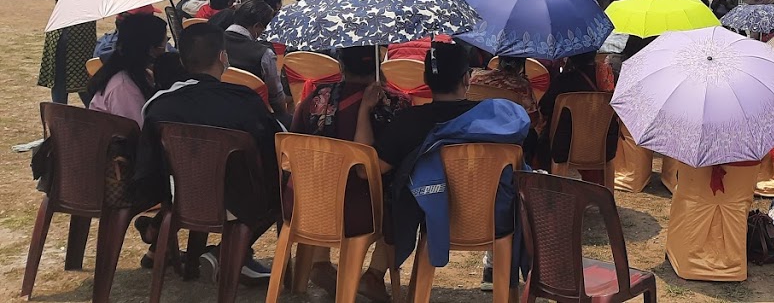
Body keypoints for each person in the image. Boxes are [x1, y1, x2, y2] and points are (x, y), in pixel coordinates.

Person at [368, 42, 533, 291]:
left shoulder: (408, 122)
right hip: (493, 218)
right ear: (467, 78)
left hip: (434, 216)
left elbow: (376, 169)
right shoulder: (498, 119)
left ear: (426, 80)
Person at [135, 24, 280, 283]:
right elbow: (272, 151)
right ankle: (229, 252)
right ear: (223, 57)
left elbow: (149, 166)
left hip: (180, 197)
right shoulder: (244, 100)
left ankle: (221, 254)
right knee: (283, 191)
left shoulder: (158, 105)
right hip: (237, 202)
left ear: (182, 61)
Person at [290, 44, 406, 300]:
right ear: (378, 65)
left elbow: (295, 140)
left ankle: (319, 261)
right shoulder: (393, 104)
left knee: (326, 176)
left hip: (310, 202)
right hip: (361, 207)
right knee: (400, 195)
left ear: (341, 65)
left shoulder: (317, 98)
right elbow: (398, 158)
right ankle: (374, 274)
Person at [38, 0, 97, 105]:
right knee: (62, 82)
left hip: (79, 36)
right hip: (68, 35)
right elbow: (65, 4)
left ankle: (96, 112)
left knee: (83, 80)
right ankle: (59, 116)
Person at [88, 13, 168, 126]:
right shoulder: (124, 87)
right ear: (152, 50)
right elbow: (138, 130)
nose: (166, 50)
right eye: (164, 44)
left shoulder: (139, 75)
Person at [224, 0, 289, 118]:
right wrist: (284, 116)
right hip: (252, 115)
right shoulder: (264, 54)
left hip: (217, 106)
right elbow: (275, 95)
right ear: (257, 26)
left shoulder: (212, 41)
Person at [470, 56, 537, 127]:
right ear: (521, 65)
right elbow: (532, 120)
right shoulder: (522, 86)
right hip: (507, 130)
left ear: (499, 59)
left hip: (474, 126)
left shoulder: (477, 78)